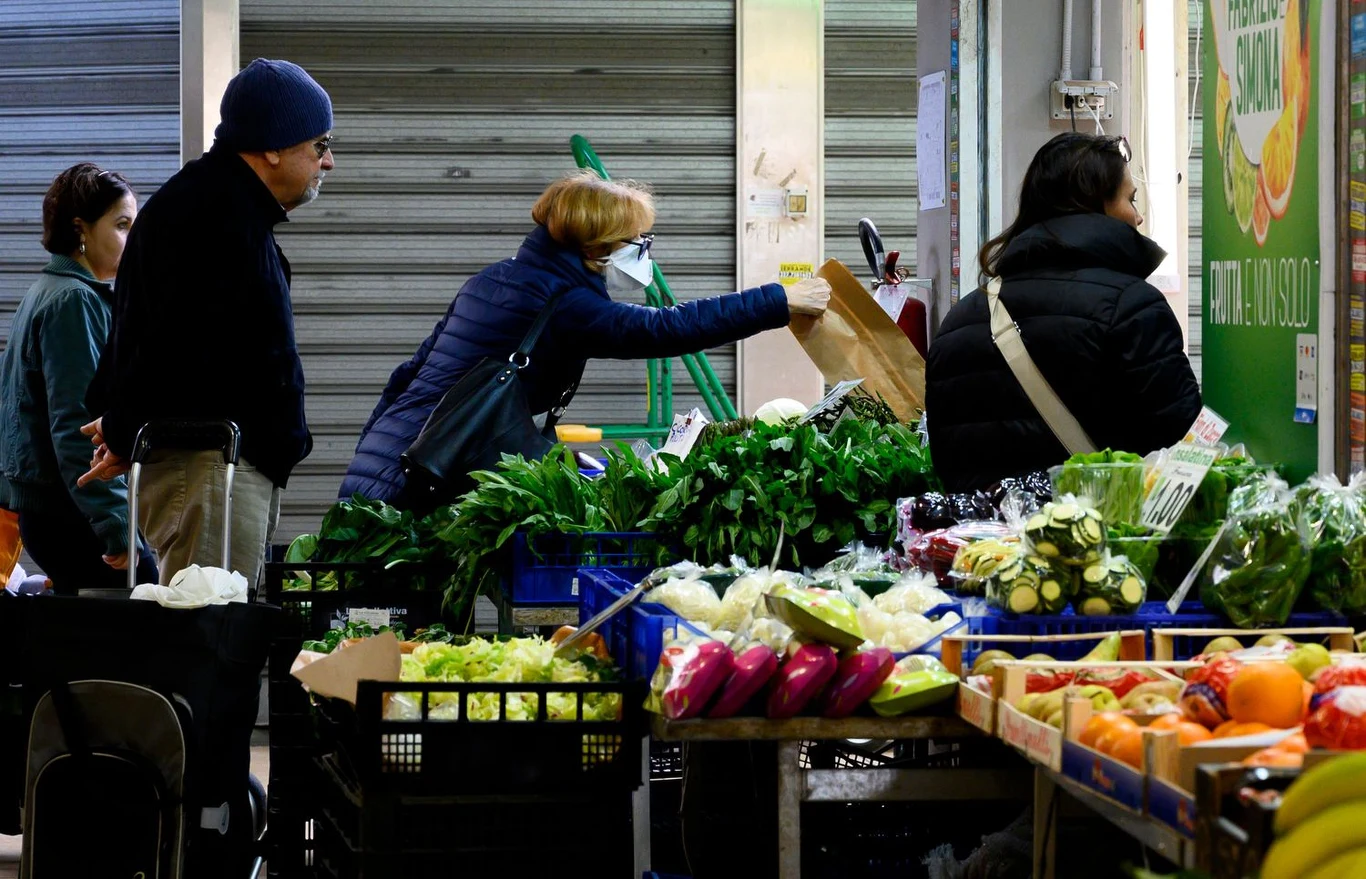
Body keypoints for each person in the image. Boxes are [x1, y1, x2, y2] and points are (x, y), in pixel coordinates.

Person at [339, 170, 832, 504]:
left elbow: (406, 375)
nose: (645, 253)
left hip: (387, 463)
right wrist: (779, 301)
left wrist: (374, 453)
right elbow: (666, 328)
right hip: (422, 480)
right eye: (640, 243)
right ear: (598, 246)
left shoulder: (494, 279)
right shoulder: (566, 305)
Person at [78, 58, 335, 588]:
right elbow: (164, 345)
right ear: (273, 146)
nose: (327, 162)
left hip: (220, 471)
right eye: (319, 145)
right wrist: (126, 426)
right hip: (209, 474)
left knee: (217, 644)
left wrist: (124, 425)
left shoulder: (224, 210)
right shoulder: (210, 216)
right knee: (203, 649)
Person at [925, 131, 1201, 492]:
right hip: (1101, 544)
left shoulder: (959, 321)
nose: (1138, 217)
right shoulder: (1132, 306)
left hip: (982, 544)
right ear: (1097, 206)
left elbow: (949, 462)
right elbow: (1183, 454)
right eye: (1131, 199)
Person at [0, 164, 159, 594]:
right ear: (80, 230)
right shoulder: (73, 300)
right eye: (123, 225)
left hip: (56, 513)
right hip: (73, 512)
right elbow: (77, 424)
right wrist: (117, 524)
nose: (133, 240)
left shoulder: (47, 291)